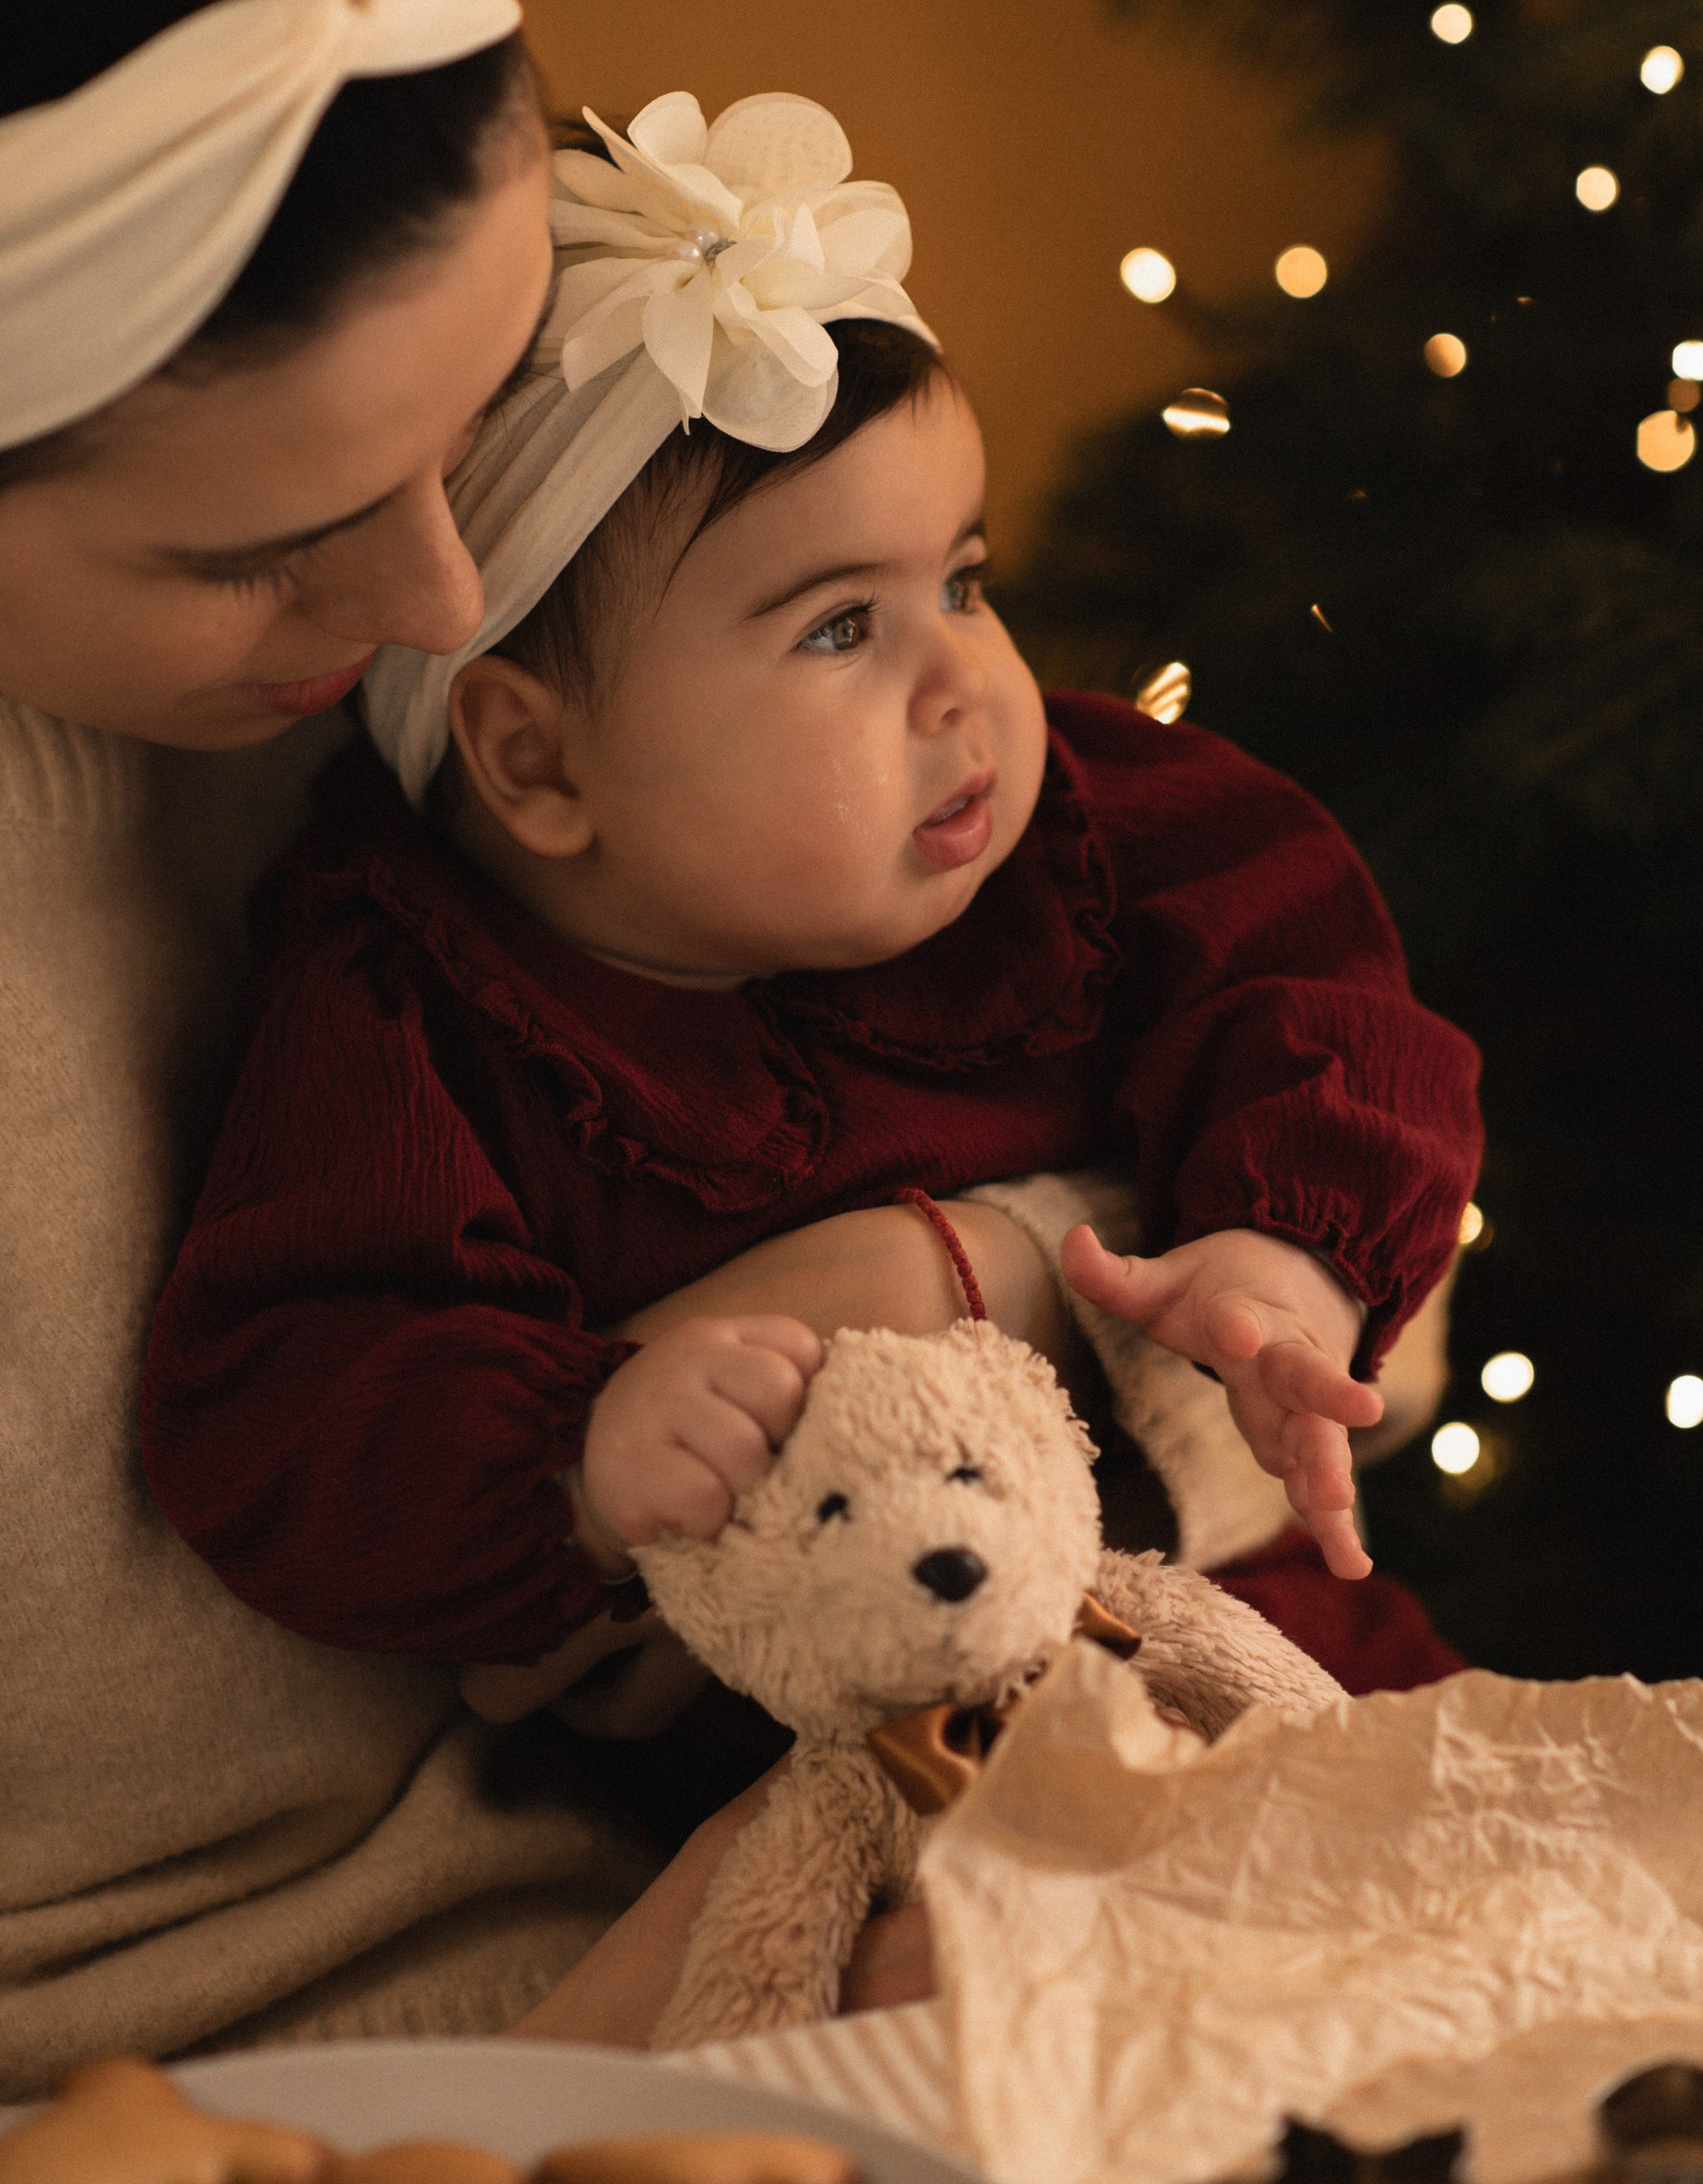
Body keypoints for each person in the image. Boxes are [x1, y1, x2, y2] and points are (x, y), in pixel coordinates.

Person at [0, 0, 962, 2184]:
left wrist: (1038, 1247)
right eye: (261, 543)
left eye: (464, 426)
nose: (447, 603)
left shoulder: (493, 610)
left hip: (799, 1909)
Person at [139, 90, 1483, 1739]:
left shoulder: (1081, 831)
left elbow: (1319, 994)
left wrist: (1286, 1257)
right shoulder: (412, 1013)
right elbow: (281, 1409)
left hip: (1263, 1637)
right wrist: (575, 1452)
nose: (966, 683)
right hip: (850, 1755)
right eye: (842, 628)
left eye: (964, 582)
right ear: (533, 760)